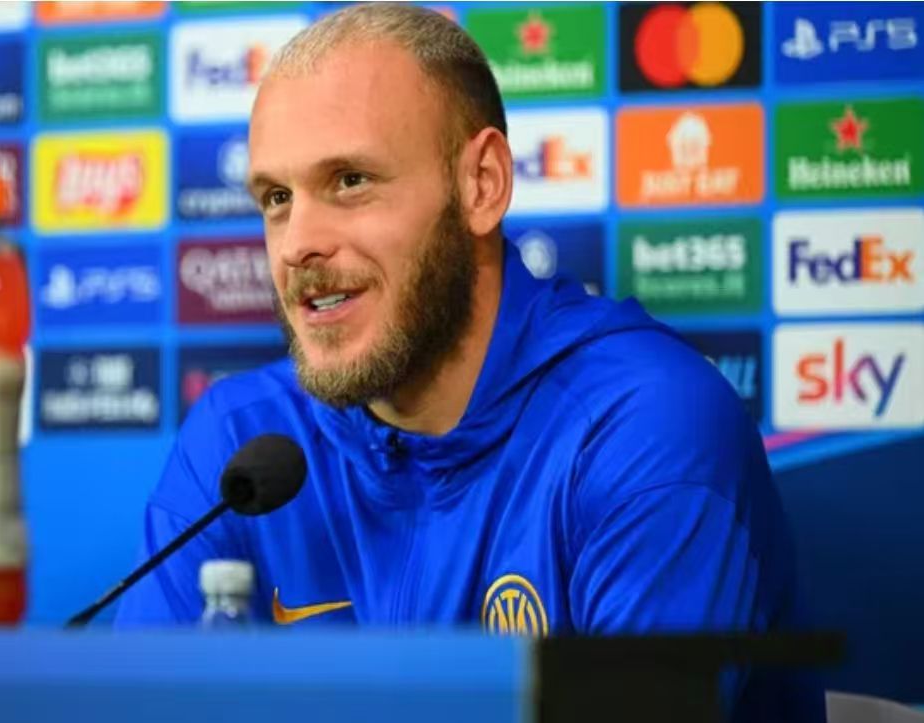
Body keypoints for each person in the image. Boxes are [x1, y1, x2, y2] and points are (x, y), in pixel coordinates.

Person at [116, 4, 821, 720]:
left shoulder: (643, 425)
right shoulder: (240, 445)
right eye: (276, 197)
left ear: (481, 184)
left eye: (351, 181)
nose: (297, 242)